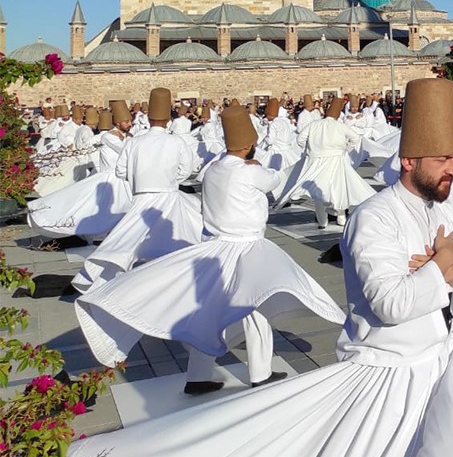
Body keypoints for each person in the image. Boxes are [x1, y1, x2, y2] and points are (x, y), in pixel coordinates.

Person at [67, 78, 453, 457]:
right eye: (443, 159)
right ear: (409, 160)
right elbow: (390, 304)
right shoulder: (375, 216)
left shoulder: (443, 212)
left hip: (451, 352)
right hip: (391, 365)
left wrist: (445, 269)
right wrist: (440, 268)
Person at [75, 105, 344, 395]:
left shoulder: (213, 169)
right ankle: (260, 372)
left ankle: (199, 375)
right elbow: (274, 180)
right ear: (250, 145)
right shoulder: (249, 172)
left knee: (209, 310)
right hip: (246, 246)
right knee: (255, 305)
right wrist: (259, 166)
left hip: (215, 246)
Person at [72, 88, 203, 292]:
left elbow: (121, 170)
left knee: (127, 242)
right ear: (168, 119)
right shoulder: (176, 141)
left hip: (141, 198)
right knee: (177, 241)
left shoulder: (134, 142)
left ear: (148, 118)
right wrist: (168, 180)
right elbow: (187, 170)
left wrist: (140, 179)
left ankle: (112, 282)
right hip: (168, 196)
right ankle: (174, 283)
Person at [27, 101, 134, 243]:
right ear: (118, 122)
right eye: (127, 121)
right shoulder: (108, 136)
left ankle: (116, 232)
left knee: (118, 208)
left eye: (130, 121)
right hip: (110, 177)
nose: (130, 124)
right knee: (94, 207)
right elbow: (125, 150)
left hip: (122, 177)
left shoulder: (125, 137)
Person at [274, 95, 374, 230]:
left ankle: (322, 221)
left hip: (315, 160)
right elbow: (355, 139)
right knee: (338, 187)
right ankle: (340, 217)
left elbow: (300, 139)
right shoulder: (340, 126)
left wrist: (311, 149)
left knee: (316, 189)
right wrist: (344, 149)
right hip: (336, 160)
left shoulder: (314, 125)